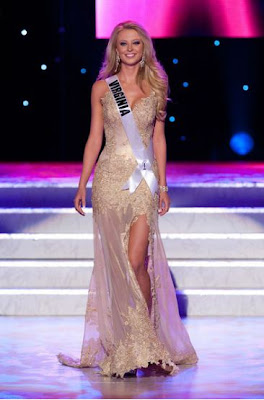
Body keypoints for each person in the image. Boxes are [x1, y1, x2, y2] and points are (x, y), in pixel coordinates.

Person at [57, 20, 198, 378]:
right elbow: (94, 139)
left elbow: (159, 140)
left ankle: (146, 345)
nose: (130, 49)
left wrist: (163, 186)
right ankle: (127, 345)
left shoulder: (156, 85)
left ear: (144, 47)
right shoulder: (103, 88)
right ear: (115, 49)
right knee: (118, 266)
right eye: (123, 44)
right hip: (108, 181)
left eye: (136, 43)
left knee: (137, 262)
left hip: (143, 183)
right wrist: (81, 184)